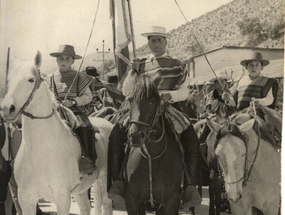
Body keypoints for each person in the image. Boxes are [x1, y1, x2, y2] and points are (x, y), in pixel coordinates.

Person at [108, 26, 201, 207]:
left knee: (191, 137)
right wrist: (132, 72)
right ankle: (118, 181)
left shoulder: (177, 64)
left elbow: (184, 91)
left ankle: (189, 186)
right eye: (153, 40)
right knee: (116, 134)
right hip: (141, 109)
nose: (156, 44)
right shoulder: (139, 63)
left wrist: (169, 96)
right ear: (148, 43)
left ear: (166, 42)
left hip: (167, 106)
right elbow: (127, 91)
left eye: (160, 40)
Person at [47, 45, 97, 174]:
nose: (63, 61)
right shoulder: (49, 78)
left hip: (74, 111)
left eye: (67, 58)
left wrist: (73, 101)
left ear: (73, 61)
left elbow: (88, 97)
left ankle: (87, 160)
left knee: (85, 127)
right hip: (54, 112)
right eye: (61, 58)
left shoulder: (80, 77)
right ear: (56, 60)